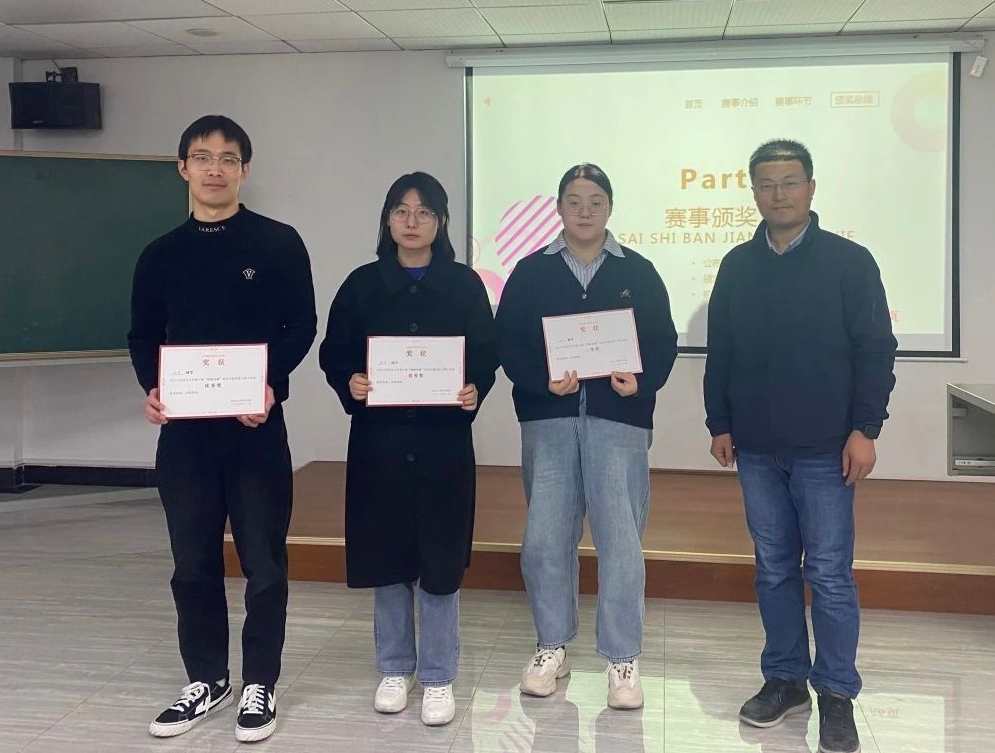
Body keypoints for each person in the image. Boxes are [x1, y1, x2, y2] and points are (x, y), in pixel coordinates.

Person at [703, 139, 897, 753]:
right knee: (774, 567)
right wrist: (719, 422)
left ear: (811, 188)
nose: (778, 194)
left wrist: (866, 428)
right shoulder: (738, 265)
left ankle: (836, 692)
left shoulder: (849, 261)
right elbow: (721, 350)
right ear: (753, 192)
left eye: (789, 182)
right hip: (757, 447)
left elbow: (876, 349)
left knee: (831, 574)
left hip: (826, 446)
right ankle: (785, 679)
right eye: (766, 184)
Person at [129, 115, 316, 744]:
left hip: (255, 427)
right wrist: (153, 389)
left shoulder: (278, 242)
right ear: (182, 167)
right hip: (185, 437)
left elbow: (300, 325)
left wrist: (271, 384)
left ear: (245, 170)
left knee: (264, 563)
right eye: (203, 157)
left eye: (228, 158)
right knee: (191, 564)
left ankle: (260, 682)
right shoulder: (160, 254)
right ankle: (207, 679)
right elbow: (143, 335)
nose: (215, 169)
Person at [496, 163, 678, 711]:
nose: (584, 211)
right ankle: (551, 646)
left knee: (620, 541)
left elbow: (662, 341)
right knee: (544, 539)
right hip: (548, 420)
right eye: (573, 201)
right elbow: (509, 343)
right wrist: (541, 381)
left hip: (618, 419)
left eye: (595, 201)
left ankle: (622, 659)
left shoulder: (638, 271)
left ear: (609, 208)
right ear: (558, 208)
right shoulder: (531, 271)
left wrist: (639, 380)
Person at [318, 172, 497, 727]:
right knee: (388, 552)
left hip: (443, 442)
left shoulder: (464, 284)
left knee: (440, 556)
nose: (412, 222)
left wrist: (474, 387)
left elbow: (485, 353)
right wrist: (350, 381)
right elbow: (335, 351)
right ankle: (395, 667)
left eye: (424, 212)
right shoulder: (362, 284)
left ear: (441, 222)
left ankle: (439, 675)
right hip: (382, 442)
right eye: (401, 211)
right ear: (387, 220)